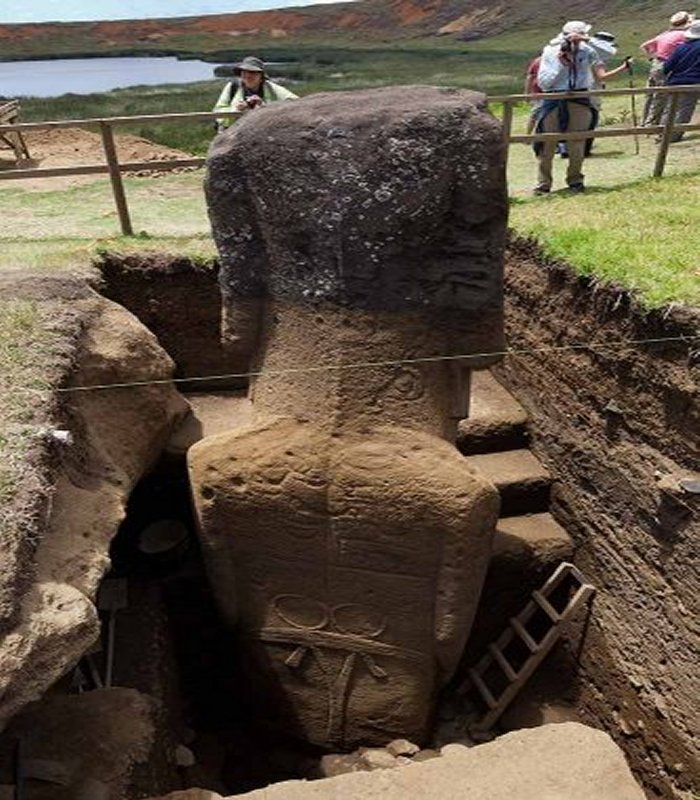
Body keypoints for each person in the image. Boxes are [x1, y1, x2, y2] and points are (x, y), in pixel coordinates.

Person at [533, 21, 605, 194]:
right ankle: (543, 183)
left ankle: (575, 180)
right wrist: (561, 64)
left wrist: (585, 42)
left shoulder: (587, 50)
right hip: (554, 97)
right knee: (548, 143)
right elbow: (544, 82)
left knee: (577, 142)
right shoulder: (550, 51)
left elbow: (604, 56)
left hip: (579, 96)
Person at [213, 55, 298, 131]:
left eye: (252, 72)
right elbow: (218, 113)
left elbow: (296, 103)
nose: (247, 75)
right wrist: (236, 110)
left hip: (264, 132)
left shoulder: (271, 87)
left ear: (261, 76)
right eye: (244, 72)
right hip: (233, 133)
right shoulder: (232, 87)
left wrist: (264, 106)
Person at [640, 11, 694, 126]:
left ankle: (644, 121)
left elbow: (645, 45)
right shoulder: (683, 35)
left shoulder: (665, 34)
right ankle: (653, 124)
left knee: (651, 94)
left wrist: (653, 57)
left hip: (656, 63)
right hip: (666, 65)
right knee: (662, 96)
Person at [662, 18, 700, 141]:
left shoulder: (680, 48)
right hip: (693, 82)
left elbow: (667, 66)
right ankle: (671, 136)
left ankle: (662, 133)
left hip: (674, 81)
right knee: (684, 111)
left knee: (670, 109)